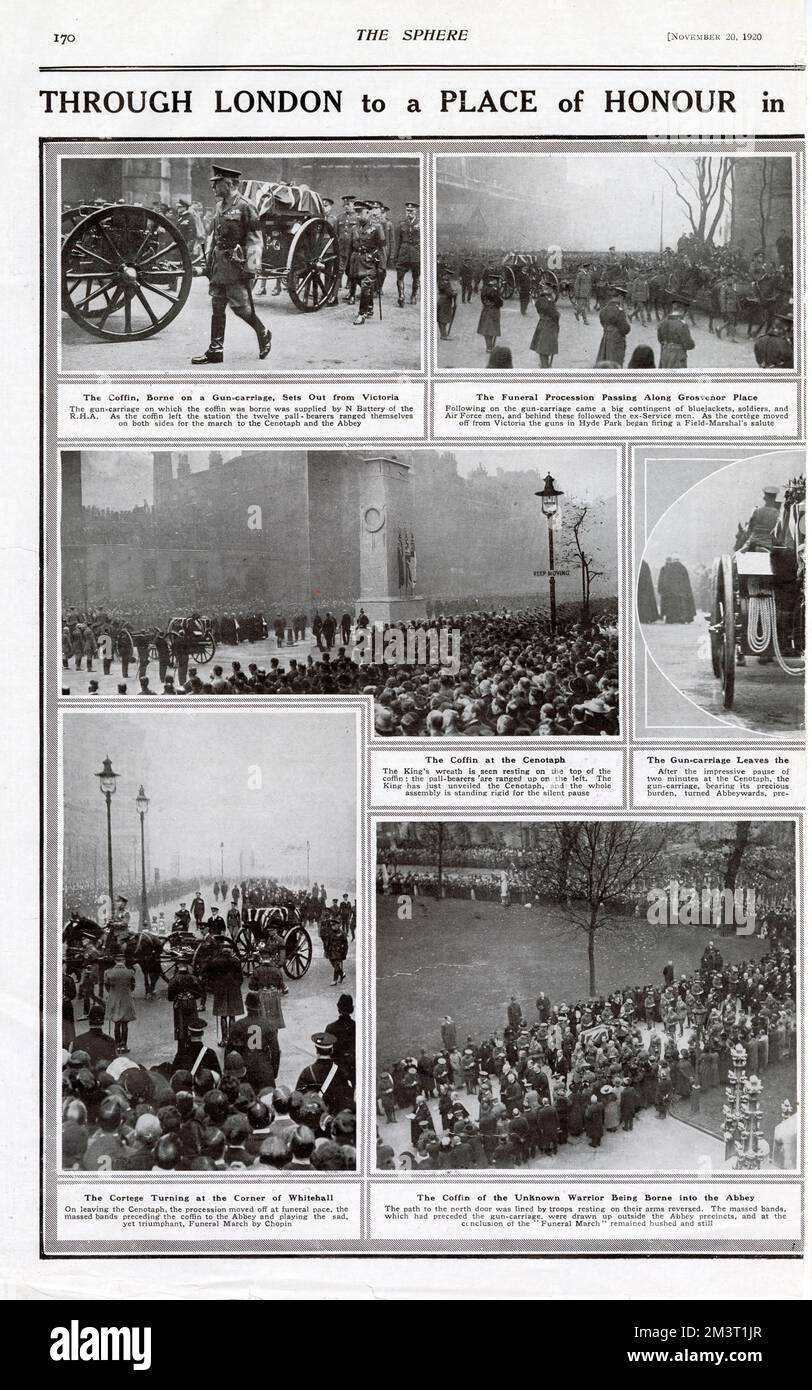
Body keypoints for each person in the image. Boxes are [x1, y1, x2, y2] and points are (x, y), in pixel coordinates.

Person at [191, 166, 271, 365]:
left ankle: (264, 332)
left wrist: (251, 268)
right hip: (219, 264)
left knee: (241, 308)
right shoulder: (220, 207)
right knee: (217, 305)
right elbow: (214, 236)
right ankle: (215, 350)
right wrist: (208, 261)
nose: (212, 187)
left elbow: (255, 239)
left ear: (228, 183)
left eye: (216, 183)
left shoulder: (245, 206)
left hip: (236, 266)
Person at [295, 1032, 354, 1114]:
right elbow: (348, 1098)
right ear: (332, 1050)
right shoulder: (340, 1072)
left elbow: (297, 1098)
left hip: (314, 1118)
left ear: (316, 1050)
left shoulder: (307, 1072)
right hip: (335, 1119)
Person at [349, 201, 386, 326]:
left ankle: (362, 314)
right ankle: (370, 306)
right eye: (357, 212)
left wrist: (380, 264)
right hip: (356, 261)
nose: (359, 215)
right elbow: (351, 246)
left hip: (369, 262)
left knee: (365, 287)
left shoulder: (377, 227)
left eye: (361, 212)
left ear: (368, 212)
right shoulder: (354, 228)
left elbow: (381, 246)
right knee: (362, 285)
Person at [104, 956, 136, 1053]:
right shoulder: (130, 973)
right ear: (124, 961)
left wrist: (111, 993)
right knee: (125, 1023)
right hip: (126, 998)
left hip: (114, 998)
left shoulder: (109, 973)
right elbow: (133, 985)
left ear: (115, 961)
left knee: (116, 1023)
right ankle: (124, 1045)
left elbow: (107, 985)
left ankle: (117, 1045)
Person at [657, 294, 695, 367]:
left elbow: (660, 339)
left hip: (664, 354)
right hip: (677, 357)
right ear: (683, 311)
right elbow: (689, 345)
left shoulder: (663, 322)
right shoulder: (682, 325)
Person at [595, 286, 630, 365]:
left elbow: (602, 322)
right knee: (615, 362)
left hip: (606, 337)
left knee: (605, 360)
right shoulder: (619, 311)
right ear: (620, 297)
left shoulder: (604, 309)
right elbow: (625, 329)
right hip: (617, 339)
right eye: (623, 299)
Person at [394, 202, 421, 306]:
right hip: (403, 253)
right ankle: (401, 296)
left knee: (416, 276)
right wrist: (396, 255)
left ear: (416, 212)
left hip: (416, 254)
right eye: (407, 211)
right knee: (399, 276)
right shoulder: (401, 224)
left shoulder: (421, 223)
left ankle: (414, 295)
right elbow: (398, 241)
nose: (409, 213)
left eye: (411, 211)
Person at [530, 289, 559, 367]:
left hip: (547, 326)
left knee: (544, 350)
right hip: (546, 327)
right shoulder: (544, 300)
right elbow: (553, 313)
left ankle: (545, 366)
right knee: (544, 350)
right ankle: (545, 367)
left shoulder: (547, 300)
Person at [477, 273, 503, 353]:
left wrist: (486, 304)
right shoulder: (494, 290)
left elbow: (482, 298)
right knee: (490, 330)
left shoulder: (485, 287)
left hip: (486, 309)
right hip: (493, 311)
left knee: (487, 329)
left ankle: (489, 346)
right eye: (498, 281)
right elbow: (498, 302)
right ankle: (489, 347)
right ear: (495, 281)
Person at [436, 265, 457, 339]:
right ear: (445, 275)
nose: (449, 277)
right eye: (448, 275)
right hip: (445, 302)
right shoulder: (445, 282)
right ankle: (443, 335)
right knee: (443, 319)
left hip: (442, 301)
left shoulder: (442, 281)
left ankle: (443, 334)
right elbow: (448, 293)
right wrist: (454, 293)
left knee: (441, 318)